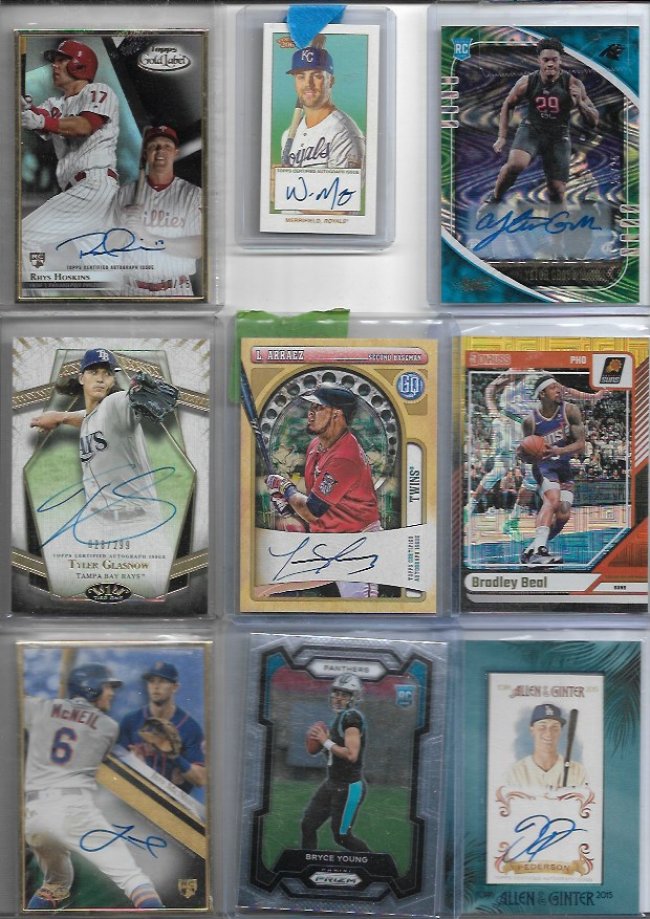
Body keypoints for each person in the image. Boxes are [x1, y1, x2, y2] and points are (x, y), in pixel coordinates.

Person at [29, 347, 178, 596]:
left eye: (107, 373)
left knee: (161, 598)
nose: (100, 378)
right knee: (73, 593)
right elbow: (86, 416)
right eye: (94, 372)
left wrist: (139, 393)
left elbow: (126, 401)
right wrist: (60, 417)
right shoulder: (91, 418)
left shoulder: (115, 403)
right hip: (97, 526)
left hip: (140, 527)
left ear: (112, 380)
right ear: (81, 378)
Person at [24, 663, 163, 909]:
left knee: (57, 883)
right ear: (91, 687)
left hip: (35, 817)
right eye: (107, 687)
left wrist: (53, 709)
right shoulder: (108, 727)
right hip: (73, 808)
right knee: (132, 877)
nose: (112, 693)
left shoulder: (39, 707)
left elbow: (16, 700)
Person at [265, 383, 381, 599]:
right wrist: (285, 504)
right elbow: (315, 500)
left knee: (362, 613)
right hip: (326, 541)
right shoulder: (316, 446)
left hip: (355, 545)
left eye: (318, 407)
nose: (310, 413)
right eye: (311, 407)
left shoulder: (345, 457)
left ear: (337, 414)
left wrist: (285, 487)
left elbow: (312, 510)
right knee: (265, 587)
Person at [20, 39, 119, 276]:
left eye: (61, 60)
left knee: (24, 237)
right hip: (80, 190)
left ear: (79, 65)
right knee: (107, 275)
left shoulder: (98, 91)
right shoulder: (55, 103)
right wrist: (24, 107)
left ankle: (37, 289)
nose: (54, 66)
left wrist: (40, 120)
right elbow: (39, 116)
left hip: (94, 184)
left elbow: (84, 125)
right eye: (54, 61)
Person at [478, 38, 599, 217]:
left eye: (554, 60)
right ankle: (494, 199)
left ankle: (557, 233)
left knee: (557, 191)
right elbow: (508, 104)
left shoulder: (573, 83)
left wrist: (580, 103)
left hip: (558, 135)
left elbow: (594, 121)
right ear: (539, 61)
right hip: (532, 129)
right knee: (516, 164)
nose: (550, 64)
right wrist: (502, 136)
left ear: (560, 61)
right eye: (546, 60)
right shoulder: (527, 82)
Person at [113, 125, 202, 297]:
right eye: (154, 146)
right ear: (145, 154)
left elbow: (198, 248)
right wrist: (123, 228)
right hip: (131, 289)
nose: (160, 150)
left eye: (167, 146)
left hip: (176, 290)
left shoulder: (193, 194)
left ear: (175, 153)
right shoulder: (124, 193)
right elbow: (108, 246)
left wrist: (147, 236)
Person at [520, 375, 585, 567]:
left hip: (563, 466)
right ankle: (540, 551)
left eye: (559, 387)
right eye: (553, 388)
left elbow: (581, 444)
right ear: (542, 394)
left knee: (563, 514)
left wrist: (559, 451)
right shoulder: (530, 421)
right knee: (552, 499)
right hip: (544, 467)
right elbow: (527, 451)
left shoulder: (570, 411)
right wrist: (524, 455)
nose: (559, 390)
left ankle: (532, 549)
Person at [302, 674, 369, 852]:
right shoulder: (339, 718)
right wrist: (323, 745)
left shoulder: (351, 718)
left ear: (354, 698)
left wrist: (325, 742)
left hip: (349, 786)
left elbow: (351, 755)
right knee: (308, 824)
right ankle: (306, 862)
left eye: (344, 695)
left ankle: (377, 864)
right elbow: (336, 754)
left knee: (342, 837)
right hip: (332, 783)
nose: (338, 698)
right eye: (336, 693)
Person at [118, 661, 206, 793]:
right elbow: (113, 765)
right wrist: (132, 762)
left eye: (162, 681)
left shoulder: (190, 727)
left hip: (171, 801)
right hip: (134, 795)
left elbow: (200, 779)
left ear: (175, 687)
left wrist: (175, 757)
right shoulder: (131, 721)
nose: (156, 686)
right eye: (151, 681)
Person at [280, 46, 365, 170]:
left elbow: (343, 182)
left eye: (317, 76)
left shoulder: (343, 133)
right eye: (301, 77)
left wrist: (290, 177)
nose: (308, 84)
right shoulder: (288, 135)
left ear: (331, 81)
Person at [505, 704, 587, 790]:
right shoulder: (515, 773)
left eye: (554, 727)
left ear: (560, 731)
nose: (548, 734)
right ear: (532, 730)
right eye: (542, 727)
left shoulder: (578, 771)